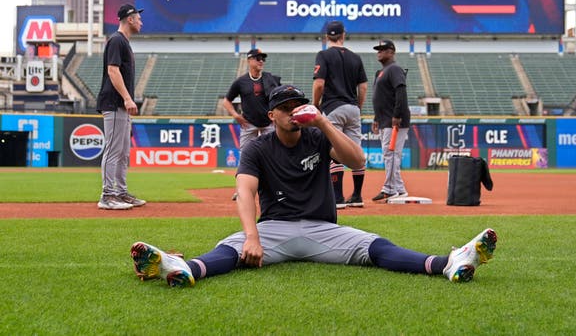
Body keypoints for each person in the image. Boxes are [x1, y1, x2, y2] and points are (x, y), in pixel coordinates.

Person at [130, 85, 498, 288]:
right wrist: (252, 237)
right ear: (271, 115)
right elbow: (244, 192)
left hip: (324, 230)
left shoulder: (317, 136)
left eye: (298, 105)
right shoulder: (257, 147)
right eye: (285, 107)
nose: (293, 112)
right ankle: (180, 267)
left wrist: (322, 123)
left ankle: (448, 263)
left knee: (376, 247)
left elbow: (357, 162)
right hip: (273, 230)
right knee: (232, 249)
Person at [96, 4, 146, 210]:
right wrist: (126, 98)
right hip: (115, 102)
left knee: (124, 151)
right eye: (138, 18)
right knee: (113, 150)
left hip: (121, 105)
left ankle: (121, 193)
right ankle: (107, 195)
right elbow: (112, 71)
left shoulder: (123, 42)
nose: (141, 21)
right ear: (130, 19)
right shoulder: (117, 40)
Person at [312, 21, 367, 209]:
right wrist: (357, 106)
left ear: (327, 37)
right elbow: (364, 87)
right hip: (352, 108)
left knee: (335, 150)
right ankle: (358, 196)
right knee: (355, 152)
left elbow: (319, 84)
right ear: (343, 35)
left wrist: (315, 105)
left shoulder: (324, 55)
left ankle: (338, 197)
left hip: (333, 106)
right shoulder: (355, 57)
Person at [222, 48, 281, 200]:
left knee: (273, 154)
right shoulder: (241, 82)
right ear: (249, 60)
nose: (261, 61)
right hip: (249, 124)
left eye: (262, 58)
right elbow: (226, 101)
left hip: (268, 123)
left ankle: (275, 188)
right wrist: (235, 115)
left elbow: (278, 97)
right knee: (244, 156)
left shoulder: (270, 78)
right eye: (257, 58)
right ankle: (241, 189)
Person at [370, 40, 411, 202]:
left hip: (394, 120)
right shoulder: (381, 72)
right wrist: (376, 118)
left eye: (383, 49)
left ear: (391, 52)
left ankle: (389, 189)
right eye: (378, 49)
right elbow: (380, 98)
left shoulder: (394, 69)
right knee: (390, 153)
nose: (379, 52)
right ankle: (399, 189)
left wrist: (397, 115)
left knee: (391, 154)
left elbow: (401, 92)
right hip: (384, 119)